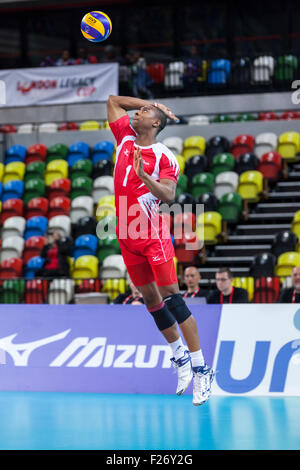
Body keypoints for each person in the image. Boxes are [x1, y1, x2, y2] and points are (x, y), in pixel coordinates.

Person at [107, 94, 214, 406]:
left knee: (172, 297)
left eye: (143, 111)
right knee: (150, 299)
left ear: (155, 123)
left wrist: (144, 177)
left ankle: (201, 369)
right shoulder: (123, 138)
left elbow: (168, 194)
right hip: (127, 234)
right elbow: (113, 101)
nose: (136, 113)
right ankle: (178, 356)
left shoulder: (164, 156)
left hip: (151, 234)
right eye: (137, 110)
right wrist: (150, 101)